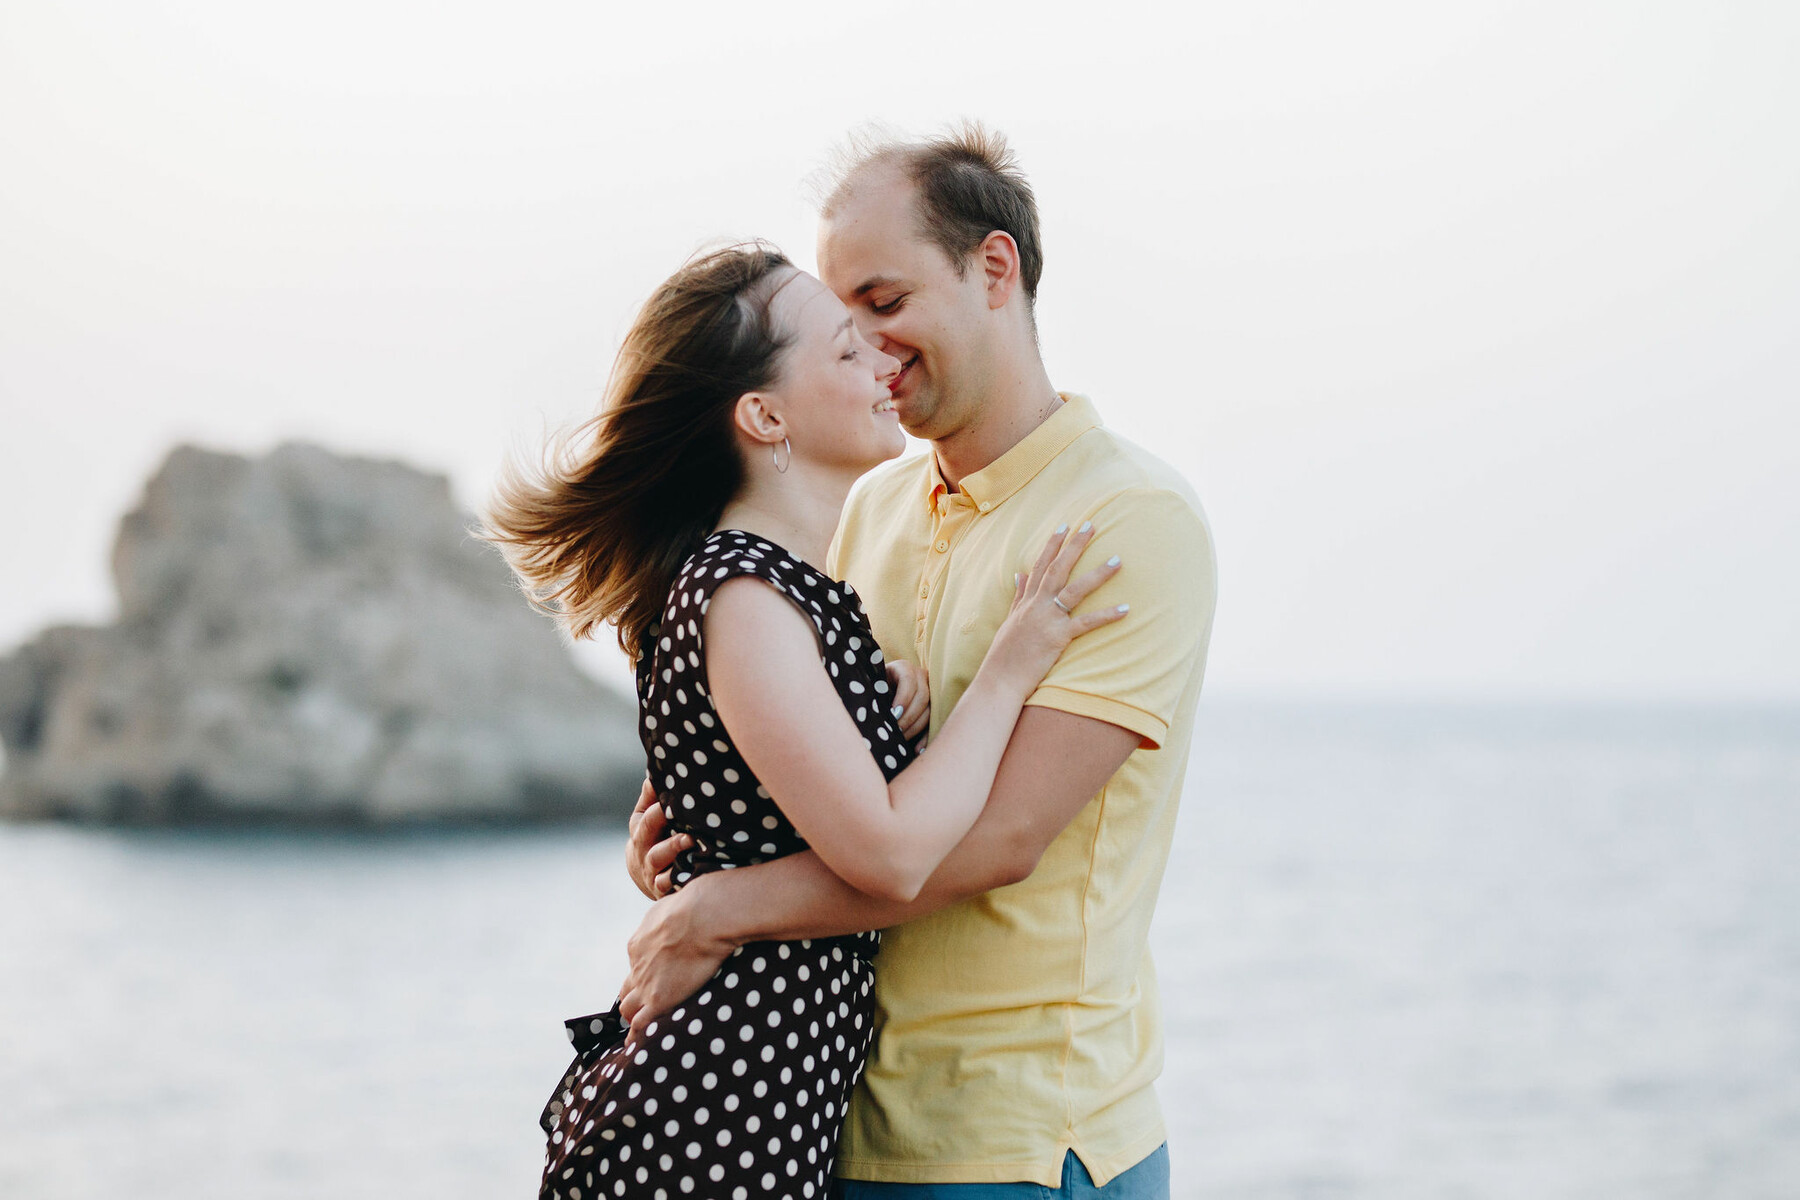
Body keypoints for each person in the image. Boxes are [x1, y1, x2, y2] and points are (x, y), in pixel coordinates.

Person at [619, 126, 1218, 1198]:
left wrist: (724, 907)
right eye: (843, 322)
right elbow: (800, 764)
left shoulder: (1129, 518)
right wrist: (688, 834)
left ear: (995, 270)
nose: (867, 348)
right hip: (829, 1121)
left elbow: (996, 841)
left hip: (1020, 1137)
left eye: (886, 304)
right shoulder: (867, 505)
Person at [481, 242, 1129, 1200]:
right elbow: (894, 852)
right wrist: (1010, 666)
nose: (881, 362)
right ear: (764, 415)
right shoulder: (739, 588)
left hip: (767, 1113)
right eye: (843, 351)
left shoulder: (793, 591)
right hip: (711, 1118)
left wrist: (884, 697)